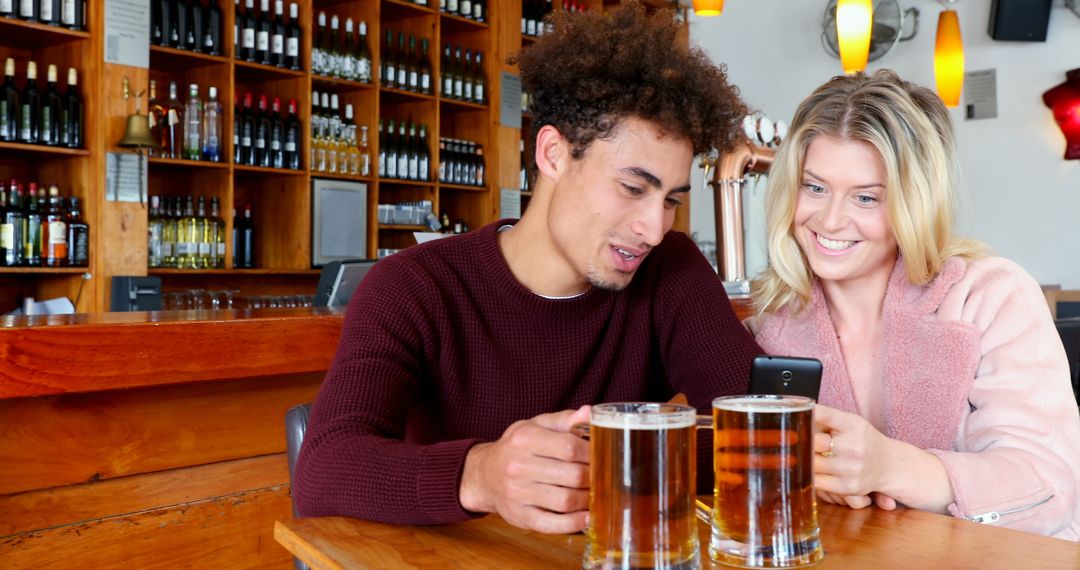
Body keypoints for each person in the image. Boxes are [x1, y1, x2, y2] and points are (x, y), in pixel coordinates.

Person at [294, 3, 762, 534]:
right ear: (553, 153)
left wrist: (599, 458)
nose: (654, 229)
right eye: (633, 188)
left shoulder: (669, 269)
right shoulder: (414, 286)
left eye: (671, 200)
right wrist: (482, 475)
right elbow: (323, 470)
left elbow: (763, 432)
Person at [746, 69, 1080, 540]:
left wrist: (889, 466)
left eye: (866, 198)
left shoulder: (991, 297)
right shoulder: (769, 324)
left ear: (915, 202)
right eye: (814, 187)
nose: (830, 220)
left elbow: (1048, 488)